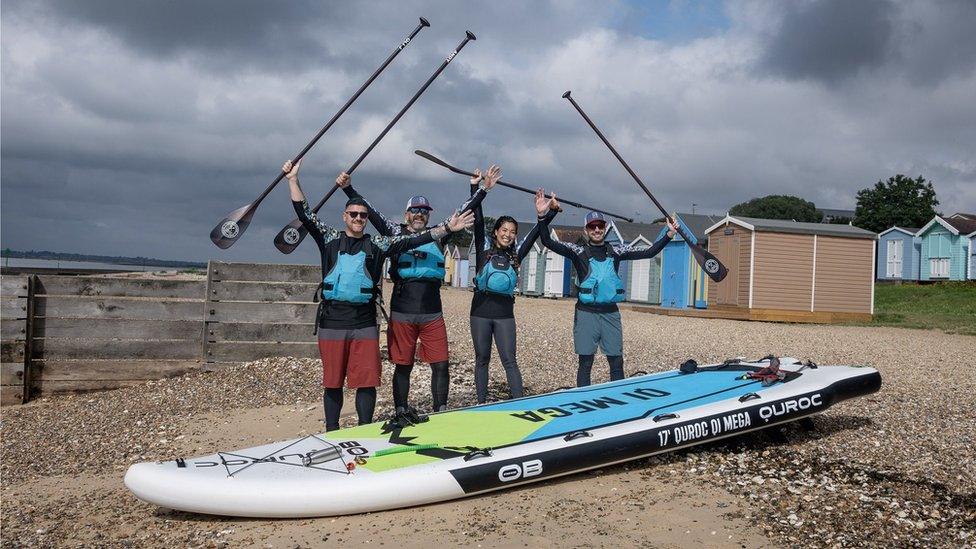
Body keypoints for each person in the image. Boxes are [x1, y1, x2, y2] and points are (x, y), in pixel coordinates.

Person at [284, 159, 474, 431]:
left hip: (364, 323)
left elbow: (413, 240)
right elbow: (305, 215)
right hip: (332, 321)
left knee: (366, 380)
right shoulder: (328, 239)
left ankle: (364, 429)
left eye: (363, 216)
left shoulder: (379, 244)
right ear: (344, 217)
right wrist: (293, 180)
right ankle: (332, 430)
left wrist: (446, 229)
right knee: (333, 381)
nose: (359, 219)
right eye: (353, 215)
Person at [337, 173, 489, 420]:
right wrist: (348, 188)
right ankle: (401, 409)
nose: (420, 215)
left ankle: (440, 410)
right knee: (403, 365)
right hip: (402, 313)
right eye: (415, 211)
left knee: (440, 363)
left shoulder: (439, 233)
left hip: (432, 313)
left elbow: (465, 210)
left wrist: (480, 189)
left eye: (424, 212)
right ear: (407, 214)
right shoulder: (394, 231)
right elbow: (370, 212)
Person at [536, 201, 677, 386]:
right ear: (586, 230)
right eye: (592, 226)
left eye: (600, 226)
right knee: (585, 363)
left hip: (611, 314)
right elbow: (546, 241)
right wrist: (541, 216)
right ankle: (583, 401)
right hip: (586, 314)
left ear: (605, 228)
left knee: (617, 363)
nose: (596, 229)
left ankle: (617, 401)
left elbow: (649, 252)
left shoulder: (617, 250)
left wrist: (669, 234)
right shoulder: (577, 251)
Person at [468, 165, 559, 403]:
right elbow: (477, 218)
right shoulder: (483, 249)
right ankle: (480, 403)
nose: (507, 234)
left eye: (512, 231)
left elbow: (537, 233)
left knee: (510, 360)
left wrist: (548, 213)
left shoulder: (517, 253)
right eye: (504, 230)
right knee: (482, 359)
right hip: (480, 312)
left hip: (504, 315)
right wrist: (476, 188)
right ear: (496, 231)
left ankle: (518, 402)